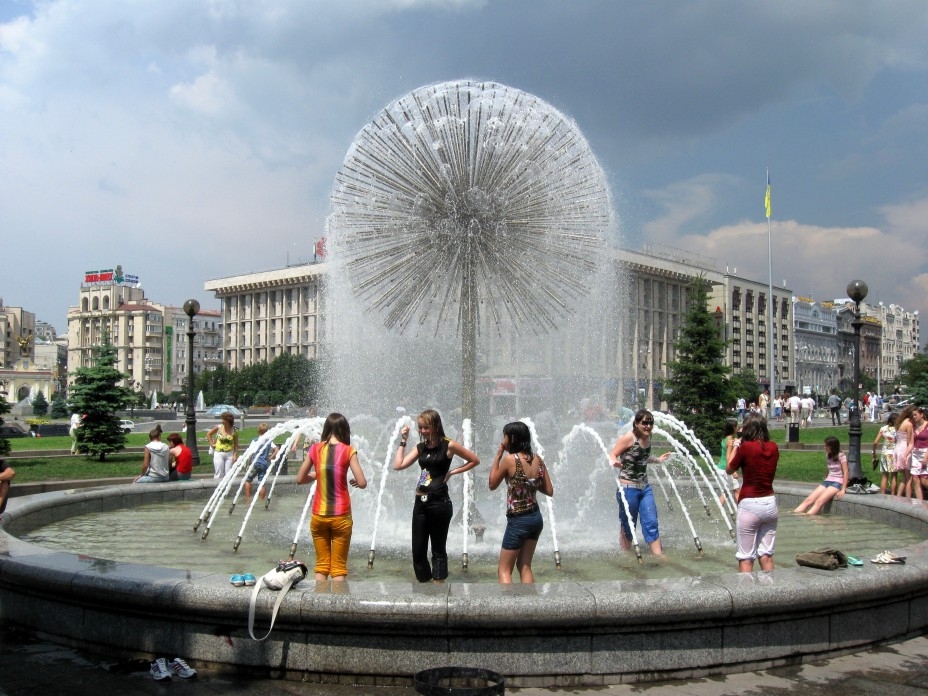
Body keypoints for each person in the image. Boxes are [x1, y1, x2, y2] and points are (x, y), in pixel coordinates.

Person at [394, 409, 481, 583]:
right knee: (418, 553)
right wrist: (403, 441)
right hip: (420, 502)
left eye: (426, 427)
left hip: (439, 502)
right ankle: (426, 587)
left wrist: (452, 472)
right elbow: (398, 465)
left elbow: (474, 460)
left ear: (435, 426)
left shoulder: (448, 445)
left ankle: (439, 588)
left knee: (438, 550)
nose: (423, 431)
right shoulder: (421, 447)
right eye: (420, 427)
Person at [296, 413, 367, 582]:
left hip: (319, 515)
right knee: (338, 567)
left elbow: (300, 479)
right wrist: (355, 482)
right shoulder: (348, 450)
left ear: (326, 429)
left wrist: (317, 474)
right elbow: (362, 482)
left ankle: (319, 597)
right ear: (345, 430)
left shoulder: (315, 449)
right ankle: (337, 599)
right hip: (341, 515)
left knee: (322, 565)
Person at [488, 421, 554, 584]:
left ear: (511, 438)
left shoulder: (510, 460)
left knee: (504, 570)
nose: (503, 441)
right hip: (535, 519)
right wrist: (530, 483)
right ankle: (530, 599)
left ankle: (507, 600)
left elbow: (492, 484)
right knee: (524, 566)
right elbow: (549, 490)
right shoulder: (538, 459)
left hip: (518, 520)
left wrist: (498, 456)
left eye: (504, 437)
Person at [609, 409, 672, 556]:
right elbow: (613, 454)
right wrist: (614, 462)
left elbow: (643, 457)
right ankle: (626, 555)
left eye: (650, 423)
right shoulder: (628, 438)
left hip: (645, 488)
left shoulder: (647, 439)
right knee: (628, 524)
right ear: (636, 423)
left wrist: (658, 460)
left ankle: (659, 556)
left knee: (651, 521)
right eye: (644, 423)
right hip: (627, 488)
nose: (648, 426)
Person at [726, 413, 778, 572]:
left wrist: (736, 445)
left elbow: (729, 469)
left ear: (748, 429)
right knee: (766, 555)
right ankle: (771, 586)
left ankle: (746, 588)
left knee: (746, 557)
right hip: (770, 504)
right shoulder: (773, 447)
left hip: (749, 504)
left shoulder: (746, 447)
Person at [794, 436, 848, 514]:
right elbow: (828, 468)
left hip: (837, 483)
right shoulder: (828, 455)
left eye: (826, 446)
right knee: (808, 500)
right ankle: (794, 515)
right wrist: (826, 478)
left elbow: (846, 472)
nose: (824, 447)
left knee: (819, 502)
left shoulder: (841, 455)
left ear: (832, 446)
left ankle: (807, 518)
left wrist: (843, 489)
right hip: (827, 481)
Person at [245, 423, 279, 501]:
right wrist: (270, 458)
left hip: (255, 463)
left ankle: (247, 500)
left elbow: (250, 453)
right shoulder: (269, 441)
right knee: (261, 484)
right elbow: (277, 450)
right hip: (264, 464)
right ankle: (261, 501)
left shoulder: (255, 440)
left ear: (258, 431)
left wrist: (248, 463)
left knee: (247, 481)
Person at [206, 412, 238, 479]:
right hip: (219, 453)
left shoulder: (234, 430)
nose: (222, 421)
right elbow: (208, 434)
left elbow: (236, 445)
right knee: (219, 473)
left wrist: (235, 455)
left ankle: (227, 485)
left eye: (223, 419)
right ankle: (217, 485)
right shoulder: (219, 427)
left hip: (229, 453)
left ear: (228, 421)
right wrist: (212, 443)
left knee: (229, 474)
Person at [906, 407, 928, 501]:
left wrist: (926, 457)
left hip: (925, 453)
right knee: (915, 479)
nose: (914, 417)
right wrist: (905, 455)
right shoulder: (914, 427)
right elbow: (911, 443)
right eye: (913, 415)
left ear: (921, 415)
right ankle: (920, 503)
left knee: (924, 480)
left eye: (915, 415)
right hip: (915, 454)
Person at [872, 414, 898, 495]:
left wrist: (874, 452)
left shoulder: (883, 429)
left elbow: (875, 442)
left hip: (884, 454)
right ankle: (893, 494)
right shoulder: (898, 429)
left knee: (884, 476)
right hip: (894, 454)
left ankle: (883, 494)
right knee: (894, 476)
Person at [894, 405, 915, 498]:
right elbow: (909, 441)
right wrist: (909, 453)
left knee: (904, 478)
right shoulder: (909, 424)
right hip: (904, 450)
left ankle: (898, 497)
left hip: (898, 449)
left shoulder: (900, 422)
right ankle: (908, 498)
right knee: (909, 478)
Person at [717, 419, 740, 504]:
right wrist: (732, 471)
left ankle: (719, 509)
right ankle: (741, 511)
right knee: (737, 491)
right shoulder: (730, 441)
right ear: (734, 428)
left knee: (726, 491)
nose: (738, 427)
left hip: (721, 467)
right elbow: (728, 456)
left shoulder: (725, 439)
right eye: (737, 426)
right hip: (725, 469)